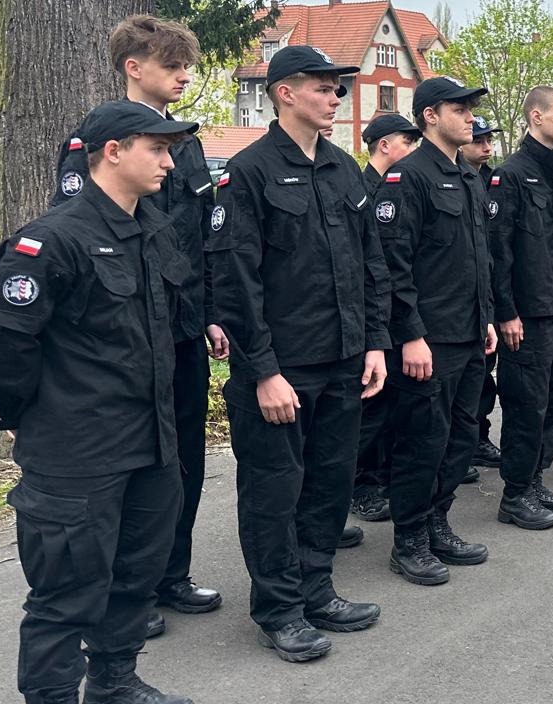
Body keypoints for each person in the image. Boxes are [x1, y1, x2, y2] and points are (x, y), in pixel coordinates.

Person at [0, 102, 198, 704]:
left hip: (148, 442)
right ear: (113, 152)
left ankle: (113, 686)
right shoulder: (52, 240)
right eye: (158, 149)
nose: (168, 161)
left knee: (135, 571)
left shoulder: (147, 231)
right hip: (76, 450)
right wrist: (40, 414)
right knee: (67, 588)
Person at [207, 45, 390, 660]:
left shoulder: (343, 169)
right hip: (281, 368)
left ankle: (317, 590)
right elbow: (237, 281)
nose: (336, 98)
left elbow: (372, 266)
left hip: (343, 360)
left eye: (339, 90)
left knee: (330, 483)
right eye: (324, 88)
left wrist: (375, 345)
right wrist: (262, 371)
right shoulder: (249, 172)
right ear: (285, 92)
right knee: (273, 489)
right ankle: (280, 609)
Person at [51, 15, 226, 634]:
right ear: (134, 67)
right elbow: (80, 232)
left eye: (186, 67)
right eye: (172, 66)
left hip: (180, 324)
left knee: (182, 456)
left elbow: (202, 240)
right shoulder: (98, 140)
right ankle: (130, 591)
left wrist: (206, 314)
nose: (184, 77)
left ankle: (169, 573)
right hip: (126, 329)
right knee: (133, 460)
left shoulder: (190, 143)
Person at [377, 76, 498, 581]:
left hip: (469, 332)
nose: (471, 117)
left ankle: (438, 523)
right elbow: (393, 265)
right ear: (430, 115)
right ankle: (409, 539)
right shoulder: (409, 177)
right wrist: (410, 335)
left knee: (461, 435)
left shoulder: (467, 176)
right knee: (423, 439)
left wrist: (487, 317)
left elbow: (477, 259)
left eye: (472, 109)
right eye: (460, 108)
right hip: (430, 338)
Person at [490, 85, 553, 529]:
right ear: (535, 117)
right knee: (526, 407)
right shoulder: (510, 174)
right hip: (525, 317)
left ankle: (535, 480)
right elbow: (500, 252)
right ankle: (515, 493)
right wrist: (505, 312)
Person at [350, 112, 422, 524]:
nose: (411, 151)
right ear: (384, 146)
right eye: (406, 143)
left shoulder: (402, 187)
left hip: (392, 315)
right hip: (371, 318)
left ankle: (381, 477)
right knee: (369, 412)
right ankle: (360, 485)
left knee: (391, 407)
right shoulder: (363, 188)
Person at [461, 115, 506, 476]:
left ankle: (478, 438)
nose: (486, 146)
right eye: (479, 140)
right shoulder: (457, 178)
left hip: (486, 292)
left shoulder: (492, 181)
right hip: (459, 303)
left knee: (482, 379)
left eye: (489, 140)